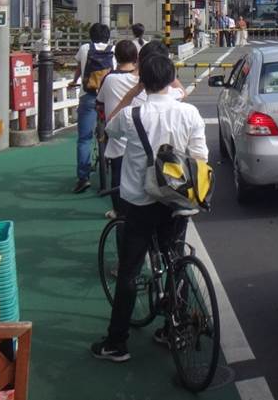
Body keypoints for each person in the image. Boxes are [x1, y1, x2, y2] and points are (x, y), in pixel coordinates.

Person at [91, 54, 208, 364]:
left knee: (130, 271)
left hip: (140, 202)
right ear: (172, 79)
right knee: (176, 259)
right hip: (179, 202)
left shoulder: (132, 115)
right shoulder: (190, 113)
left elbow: (109, 130)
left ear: (143, 81)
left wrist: (131, 95)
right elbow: (200, 156)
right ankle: (176, 327)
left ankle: (117, 342)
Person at [95, 40, 140, 218]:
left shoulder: (109, 79)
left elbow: (99, 102)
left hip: (117, 136)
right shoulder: (141, 80)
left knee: (117, 174)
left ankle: (118, 211)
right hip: (139, 137)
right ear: (135, 58)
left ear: (115, 57)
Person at [70, 23, 115, 194]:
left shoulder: (84, 48)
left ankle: (83, 178)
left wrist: (74, 81)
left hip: (88, 97)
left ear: (91, 36)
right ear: (107, 36)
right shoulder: (114, 49)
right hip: (108, 98)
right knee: (114, 133)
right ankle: (113, 165)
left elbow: (79, 69)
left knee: (84, 139)